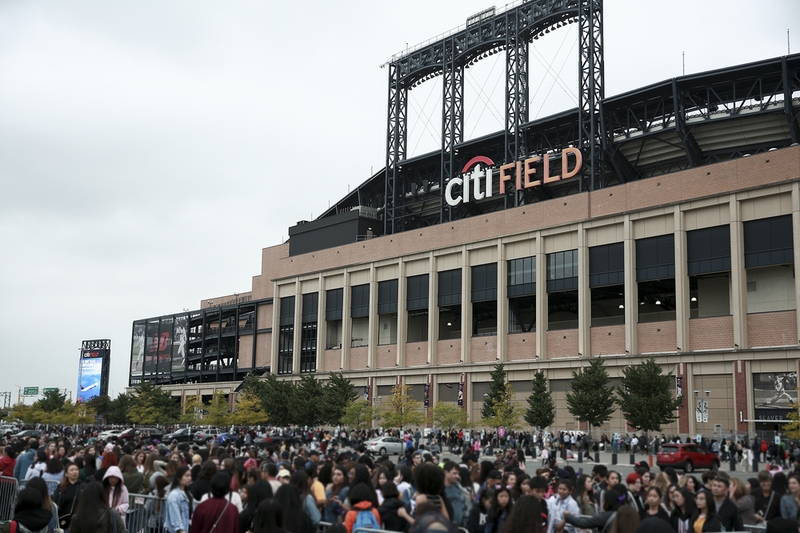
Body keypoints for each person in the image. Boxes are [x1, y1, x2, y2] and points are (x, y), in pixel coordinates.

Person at [54, 462, 84, 533]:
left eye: (76, 470)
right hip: (65, 522)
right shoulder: (60, 488)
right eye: (72, 470)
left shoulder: (83, 486)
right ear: (66, 474)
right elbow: (56, 504)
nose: (75, 472)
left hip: (80, 521)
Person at [164, 466, 193, 533]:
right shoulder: (174, 495)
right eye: (187, 476)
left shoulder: (188, 494)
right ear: (179, 478)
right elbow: (175, 517)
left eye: (190, 475)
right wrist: (181, 530)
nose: (189, 478)